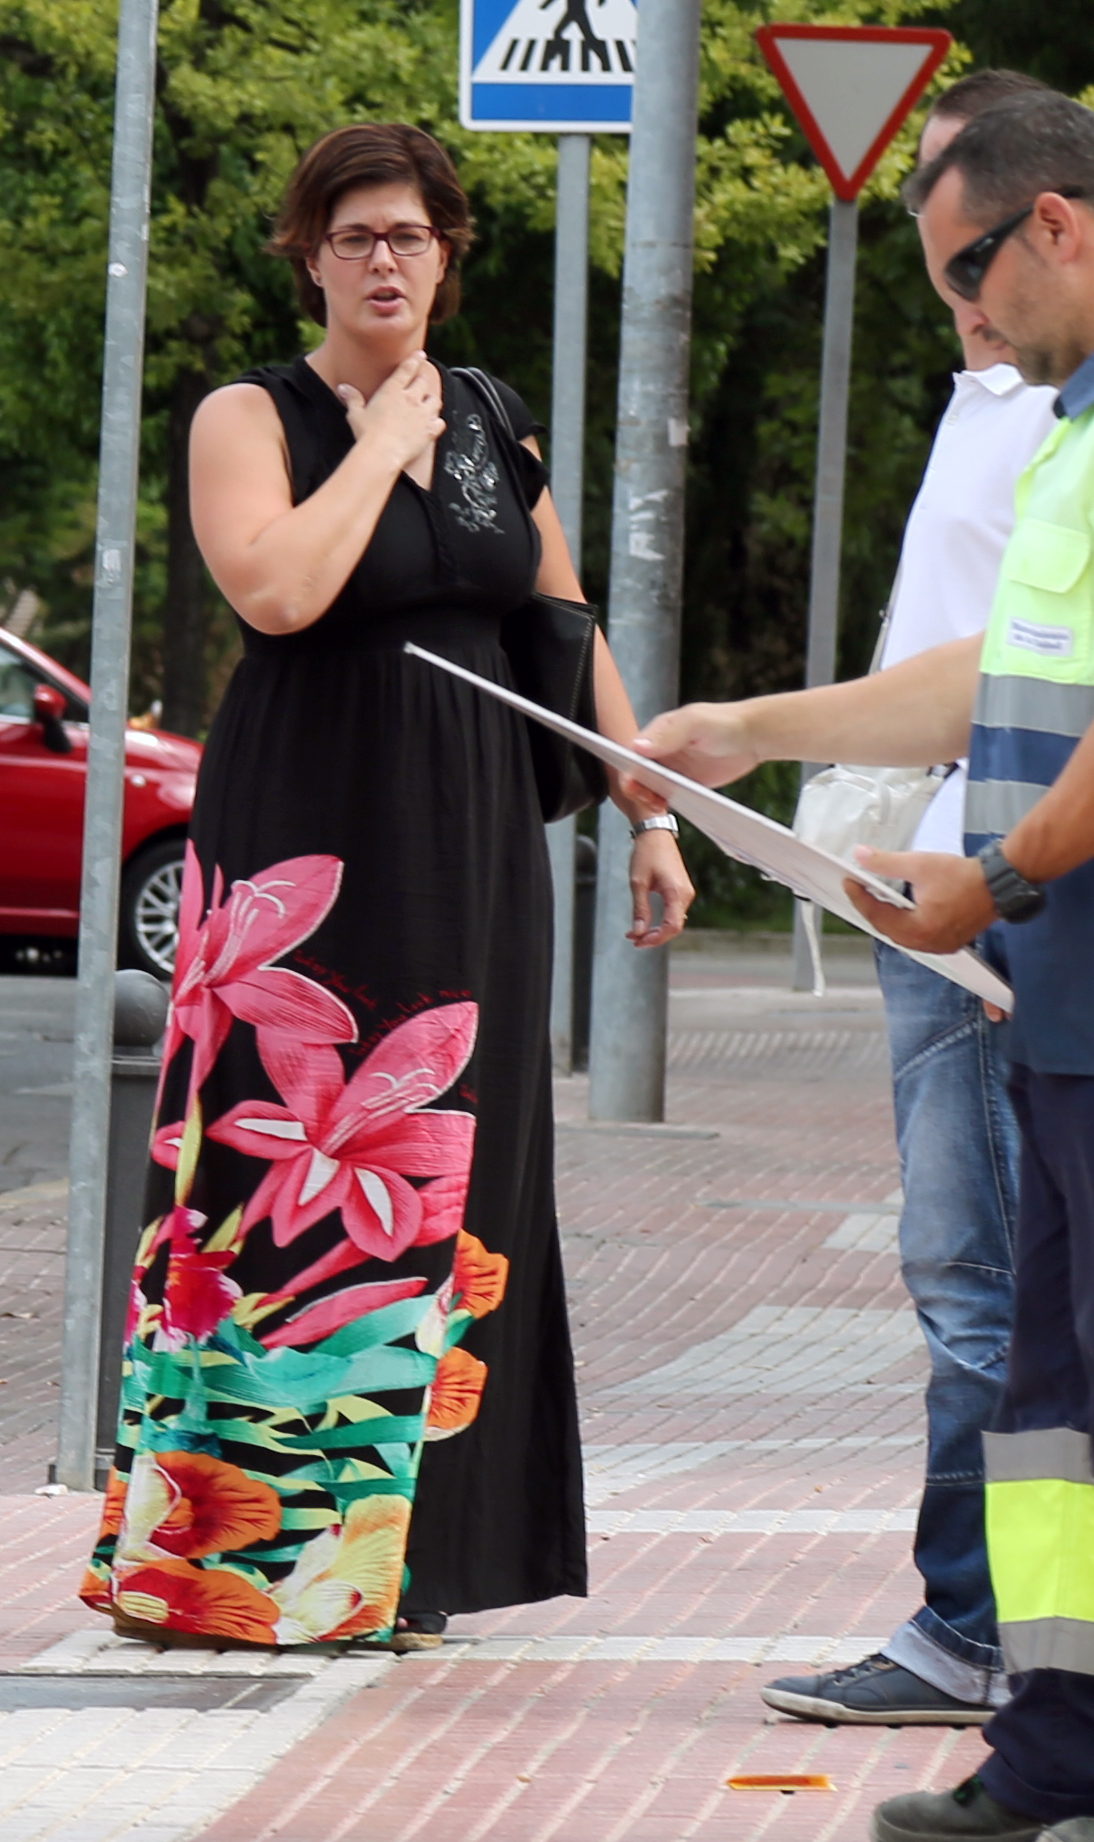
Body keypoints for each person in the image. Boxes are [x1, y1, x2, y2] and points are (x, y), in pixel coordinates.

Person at [652, 92, 1094, 1842]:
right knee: (1056, 1394)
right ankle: (1063, 1739)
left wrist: (1001, 872)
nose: (963, 319)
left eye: (967, 275)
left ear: (1054, 223)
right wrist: (749, 730)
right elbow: (1007, 674)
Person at [82, 121, 691, 1651]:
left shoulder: (491, 416)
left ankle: (412, 1561)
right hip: (309, 838)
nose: (384, 262)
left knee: (458, 1175)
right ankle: (245, 1560)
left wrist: (654, 810)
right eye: (353, 237)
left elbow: (560, 617)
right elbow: (277, 587)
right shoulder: (256, 414)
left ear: (448, 253)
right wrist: (376, 447)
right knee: (284, 1180)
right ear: (308, 255)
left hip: (473, 835)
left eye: (410, 236)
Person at [724, 66, 1064, 1732]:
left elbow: (1013, 677)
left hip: (987, 902)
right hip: (920, 885)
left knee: (980, 1271)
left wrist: (988, 871)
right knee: (971, 1271)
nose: (942, 260)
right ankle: (1000, 1622)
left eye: (964, 225)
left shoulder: (1080, 419)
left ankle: (981, 1627)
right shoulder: (981, 401)